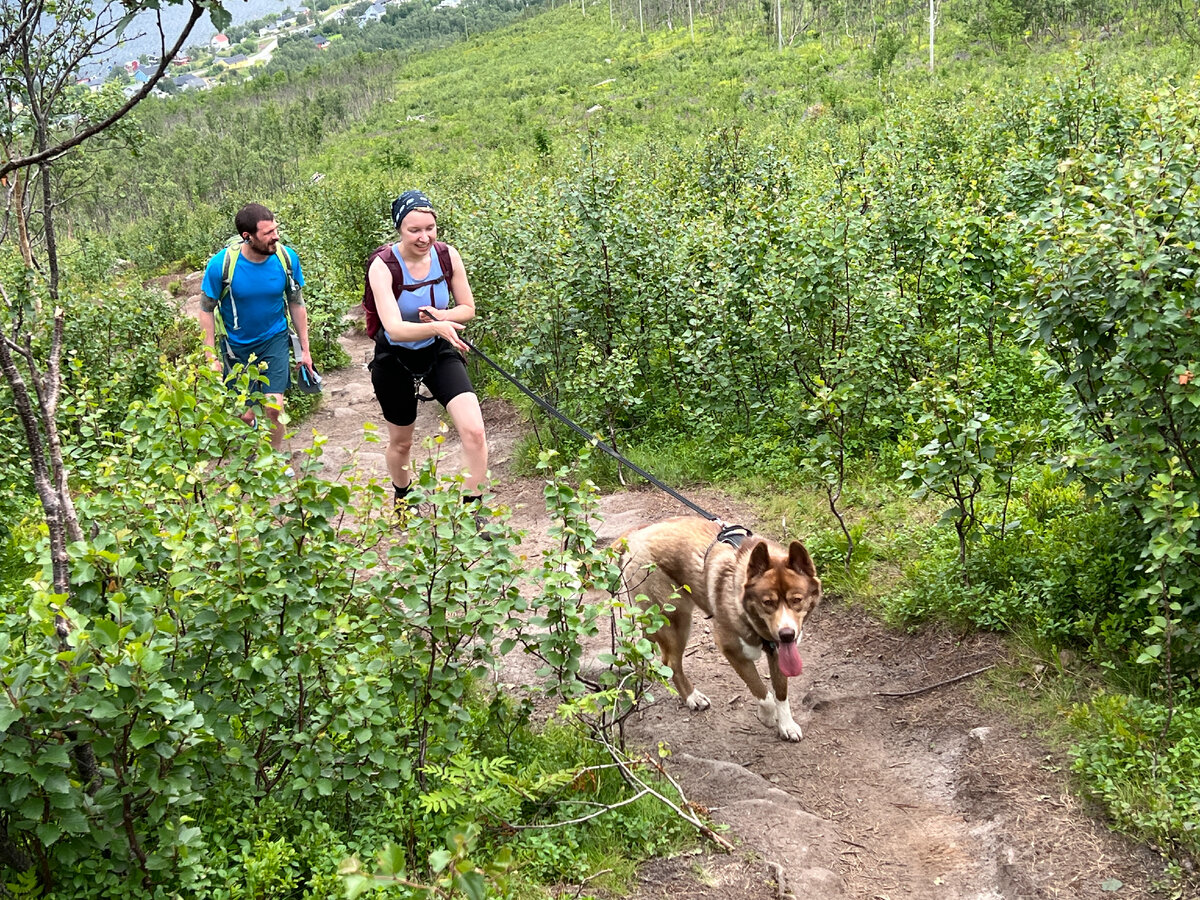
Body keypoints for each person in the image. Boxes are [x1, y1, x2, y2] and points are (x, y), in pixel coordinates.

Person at [367, 189, 489, 512]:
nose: (425, 238)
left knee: (475, 431)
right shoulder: (382, 267)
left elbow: (468, 308)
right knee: (402, 442)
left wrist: (442, 318)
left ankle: (470, 513)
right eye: (414, 230)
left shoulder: (448, 256)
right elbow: (393, 327)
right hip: (394, 358)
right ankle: (403, 500)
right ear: (399, 230)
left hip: (438, 350)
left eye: (430, 229)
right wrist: (436, 326)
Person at [198, 203, 315, 451]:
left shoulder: (286, 258)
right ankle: (252, 438)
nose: (276, 237)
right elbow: (206, 309)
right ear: (247, 237)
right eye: (268, 233)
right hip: (235, 347)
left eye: (276, 229)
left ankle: (272, 460)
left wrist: (305, 350)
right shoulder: (221, 265)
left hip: (274, 340)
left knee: (273, 408)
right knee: (245, 414)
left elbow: (296, 303)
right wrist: (210, 356)